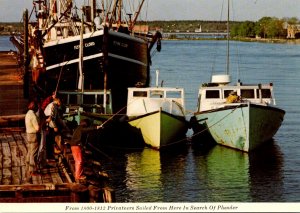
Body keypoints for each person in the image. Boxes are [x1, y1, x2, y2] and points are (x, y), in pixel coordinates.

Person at [69, 119, 98, 183]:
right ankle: (78, 176)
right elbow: (87, 129)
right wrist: (95, 127)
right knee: (79, 161)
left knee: (80, 160)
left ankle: (80, 174)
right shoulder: (81, 128)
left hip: (75, 145)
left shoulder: (78, 128)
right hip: (76, 146)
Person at [25, 101, 40, 183]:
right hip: (34, 135)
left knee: (29, 152)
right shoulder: (33, 116)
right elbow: (37, 128)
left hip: (28, 134)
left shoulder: (27, 114)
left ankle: (27, 166)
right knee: (33, 153)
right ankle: (32, 171)